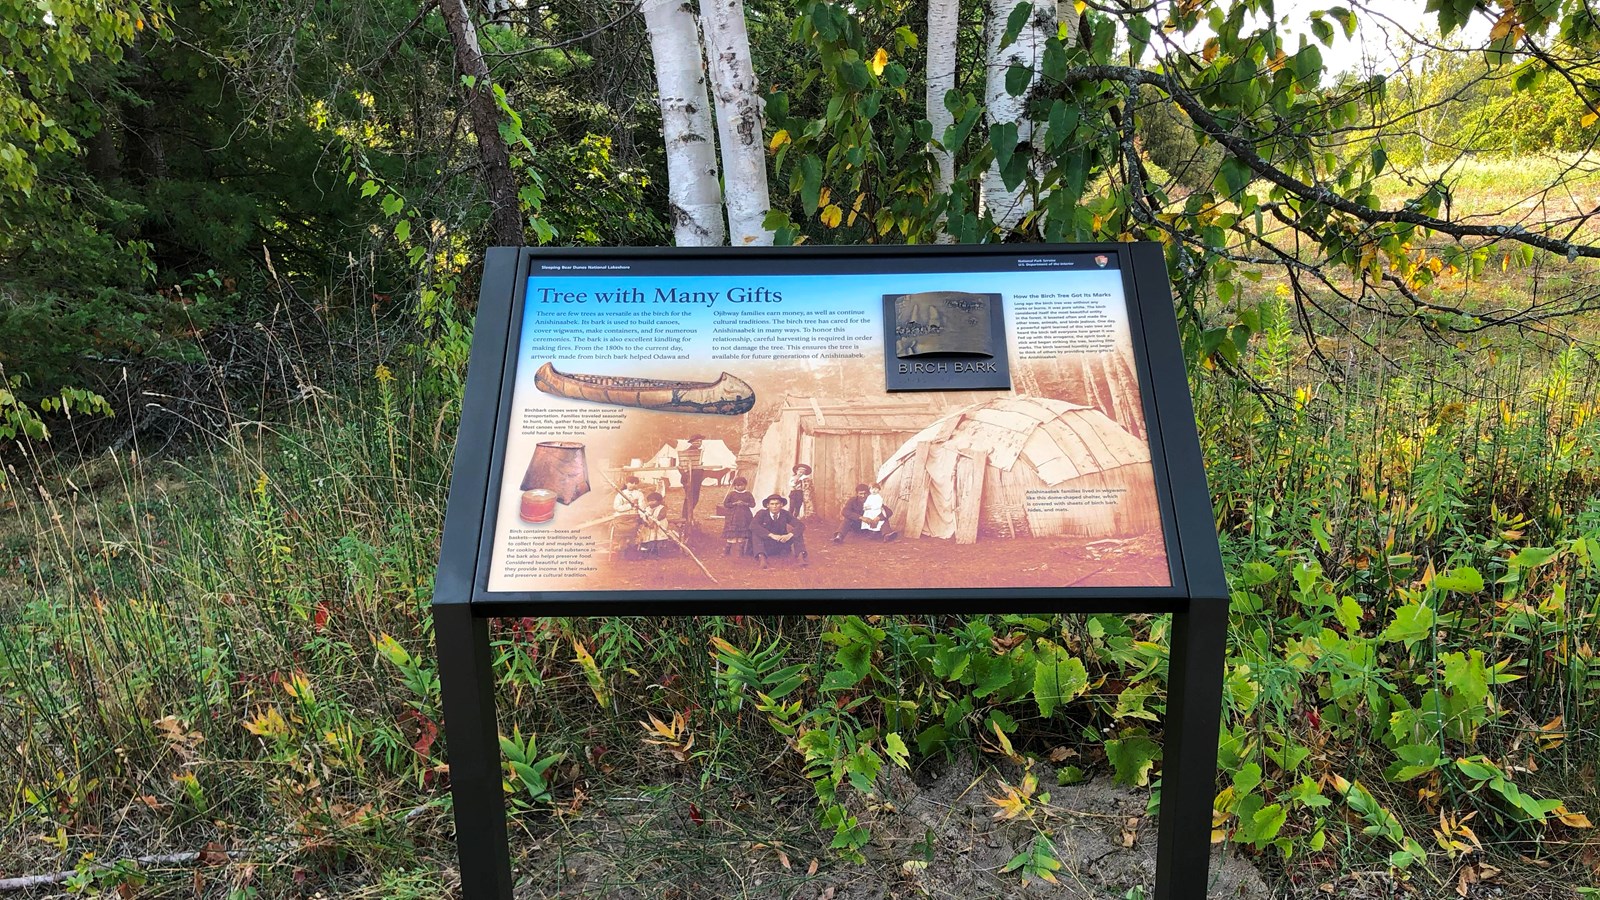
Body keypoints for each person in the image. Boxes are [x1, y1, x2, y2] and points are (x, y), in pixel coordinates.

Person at [754, 494, 808, 568]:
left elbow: (800, 525)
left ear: (781, 505)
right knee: (756, 533)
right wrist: (771, 535)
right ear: (768, 505)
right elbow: (753, 526)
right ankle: (762, 559)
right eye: (772, 504)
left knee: (797, 533)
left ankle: (800, 557)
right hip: (766, 545)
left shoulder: (785, 514)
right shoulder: (762, 513)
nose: (774, 506)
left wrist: (789, 535)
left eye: (777, 504)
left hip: (781, 543)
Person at [833, 483, 899, 542]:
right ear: (857, 494)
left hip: (871, 526)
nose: (863, 496)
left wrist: (878, 518)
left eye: (865, 493)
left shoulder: (874, 500)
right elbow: (845, 511)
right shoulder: (853, 501)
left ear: (869, 493)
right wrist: (861, 518)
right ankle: (839, 536)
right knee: (847, 519)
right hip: (857, 526)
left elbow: (888, 511)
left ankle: (887, 535)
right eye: (860, 494)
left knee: (884, 518)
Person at [721, 476, 756, 556]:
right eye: (737, 485)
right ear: (734, 486)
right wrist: (734, 503)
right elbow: (726, 504)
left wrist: (745, 504)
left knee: (742, 535)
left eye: (742, 485)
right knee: (731, 534)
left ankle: (740, 551)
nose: (739, 487)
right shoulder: (731, 494)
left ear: (745, 485)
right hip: (733, 517)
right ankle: (727, 550)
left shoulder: (748, 494)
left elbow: (753, 504)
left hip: (744, 516)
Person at [678, 434, 706, 523]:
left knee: (692, 498)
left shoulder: (698, 451)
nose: (699, 443)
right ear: (691, 442)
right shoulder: (691, 452)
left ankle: (687, 517)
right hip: (691, 477)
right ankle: (686, 518)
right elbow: (684, 466)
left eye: (700, 441)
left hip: (695, 478)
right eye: (697, 441)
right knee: (690, 498)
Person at [637, 491, 673, 557]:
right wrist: (646, 521)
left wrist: (655, 520)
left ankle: (660, 552)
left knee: (659, 539)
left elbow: (662, 515)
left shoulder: (662, 508)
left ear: (659, 501)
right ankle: (649, 551)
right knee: (650, 539)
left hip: (659, 525)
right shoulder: (647, 509)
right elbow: (644, 516)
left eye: (653, 500)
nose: (651, 502)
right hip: (649, 526)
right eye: (649, 501)